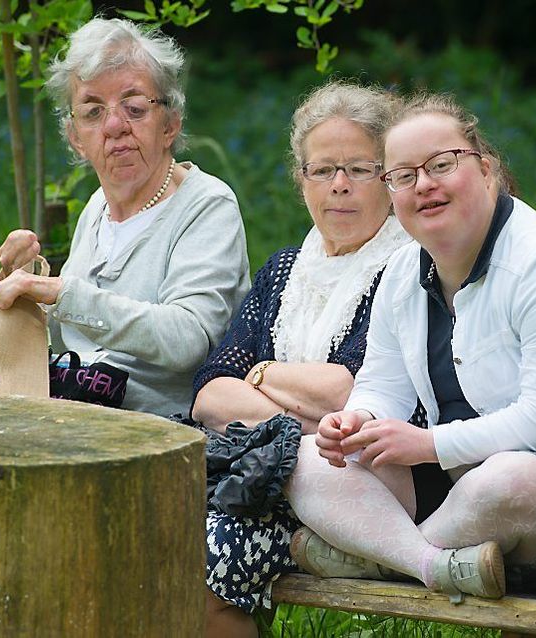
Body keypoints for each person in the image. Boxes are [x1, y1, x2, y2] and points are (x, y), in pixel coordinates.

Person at [284, 93, 536, 601]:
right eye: (402, 175)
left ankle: (377, 557)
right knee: (307, 457)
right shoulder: (402, 270)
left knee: (511, 478)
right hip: (452, 490)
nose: (424, 184)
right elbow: (383, 384)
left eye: (442, 164)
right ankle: (432, 564)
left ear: (486, 170)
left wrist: (428, 444)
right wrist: (355, 420)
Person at [192, 81, 411, 638]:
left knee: (202, 557)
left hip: (356, 489)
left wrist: (261, 375)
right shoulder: (284, 270)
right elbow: (210, 391)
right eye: (322, 170)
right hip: (264, 477)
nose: (339, 186)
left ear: (390, 178)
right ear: (302, 180)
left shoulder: (407, 269)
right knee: (149, 531)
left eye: (360, 169)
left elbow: (350, 390)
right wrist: (301, 427)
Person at [0, 18, 248, 416]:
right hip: (79, 414)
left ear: (170, 124)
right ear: (76, 139)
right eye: (93, 111)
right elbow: (73, 339)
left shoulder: (207, 205)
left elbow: (188, 338)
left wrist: (61, 293)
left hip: (164, 436)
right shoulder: (97, 208)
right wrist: (28, 283)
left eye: (134, 107)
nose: (114, 126)